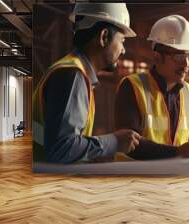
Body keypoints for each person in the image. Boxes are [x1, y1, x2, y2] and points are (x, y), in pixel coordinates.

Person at [33, 3, 141, 164]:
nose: (123, 50)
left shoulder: (71, 70)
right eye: (122, 40)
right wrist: (114, 142)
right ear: (104, 37)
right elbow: (61, 149)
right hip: (49, 181)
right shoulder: (72, 76)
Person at [115, 15, 189, 160]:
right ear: (157, 57)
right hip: (135, 178)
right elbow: (129, 144)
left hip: (172, 178)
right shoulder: (132, 87)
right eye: (179, 56)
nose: (186, 63)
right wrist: (177, 152)